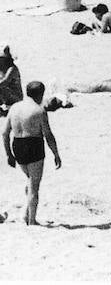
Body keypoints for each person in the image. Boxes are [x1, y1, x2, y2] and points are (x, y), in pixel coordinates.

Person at [3, 81, 61, 225]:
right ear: (40, 94)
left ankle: (25, 215)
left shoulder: (14, 108)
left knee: (30, 179)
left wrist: (8, 154)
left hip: (17, 145)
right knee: (34, 185)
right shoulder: (39, 111)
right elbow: (48, 135)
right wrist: (56, 154)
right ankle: (31, 221)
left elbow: (5, 133)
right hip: (34, 145)